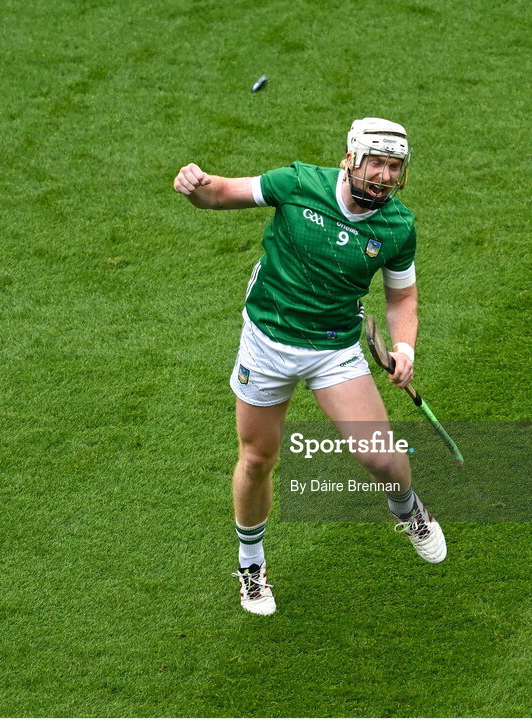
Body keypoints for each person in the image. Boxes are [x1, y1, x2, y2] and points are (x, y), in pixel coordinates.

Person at [173, 118, 446, 616]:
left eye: (394, 166)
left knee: (381, 458)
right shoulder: (299, 184)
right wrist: (196, 186)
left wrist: (404, 350)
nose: (385, 175)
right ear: (351, 159)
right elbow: (219, 194)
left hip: (333, 349)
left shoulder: (396, 226)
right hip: (267, 341)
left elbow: (402, 297)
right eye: (376, 163)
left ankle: (408, 510)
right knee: (257, 459)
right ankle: (251, 567)